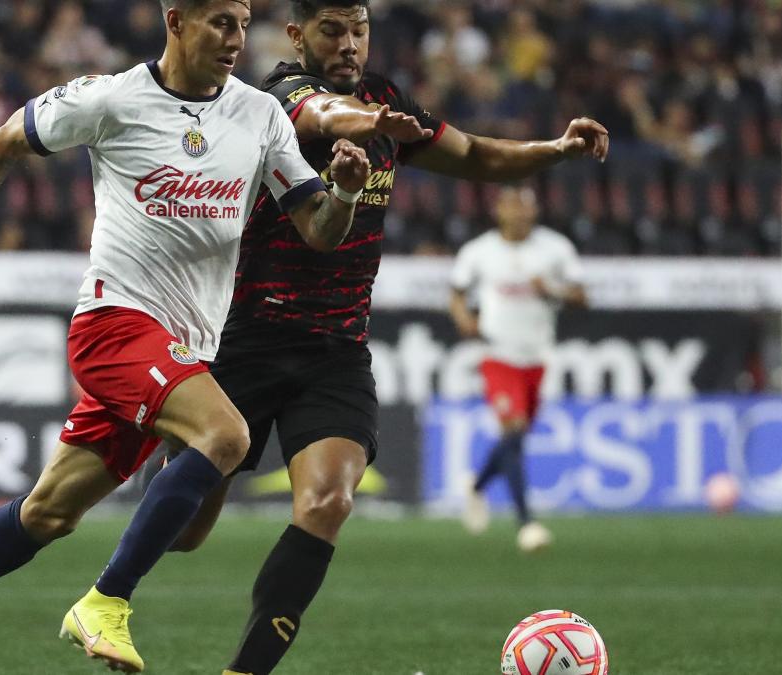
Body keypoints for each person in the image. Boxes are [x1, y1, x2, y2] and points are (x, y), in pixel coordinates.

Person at [0, 1, 372, 674]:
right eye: (220, 21)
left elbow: (317, 227)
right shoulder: (112, 99)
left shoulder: (259, 116)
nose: (235, 39)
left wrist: (341, 194)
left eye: (243, 22)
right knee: (226, 435)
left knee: (47, 514)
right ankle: (107, 600)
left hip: (184, 350)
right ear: (175, 20)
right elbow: (1, 142)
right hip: (114, 324)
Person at [143, 2, 608, 674]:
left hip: (335, 352)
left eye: (360, 30)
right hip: (245, 339)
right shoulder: (277, 96)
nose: (350, 44)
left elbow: (476, 153)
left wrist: (554, 150)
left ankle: (243, 671)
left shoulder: (388, 99)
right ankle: (150, 488)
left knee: (329, 500)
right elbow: (318, 116)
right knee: (184, 533)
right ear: (299, 35)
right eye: (333, 31)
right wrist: (365, 121)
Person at [449, 187, 587, 552]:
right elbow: (457, 293)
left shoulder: (555, 248)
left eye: (527, 206)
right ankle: (526, 523)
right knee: (513, 428)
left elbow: (581, 296)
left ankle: (476, 486)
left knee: (516, 438)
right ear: (499, 210)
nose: (521, 213)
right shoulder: (479, 251)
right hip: (497, 352)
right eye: (514, 206)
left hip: (537, 356)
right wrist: (464, 319)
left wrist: (553, 290)